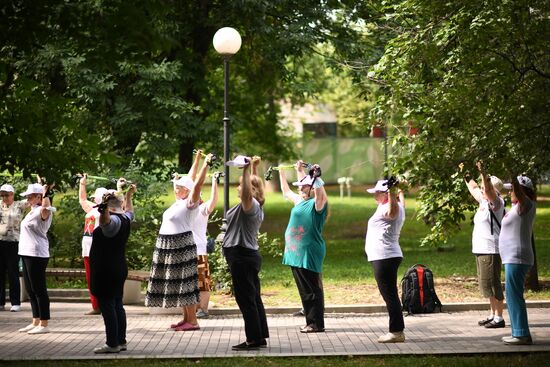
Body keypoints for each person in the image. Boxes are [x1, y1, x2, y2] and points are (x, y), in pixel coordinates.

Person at [145, 152, 212, 331]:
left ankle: (193, 321)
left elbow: (196, 183)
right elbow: (189, 178)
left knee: (186, 284)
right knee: (179, 285)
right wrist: (196, 160)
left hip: (181, 246)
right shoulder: (178, 202)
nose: (176, 187)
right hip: (169, 247)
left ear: (188, 191)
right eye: (176, 185)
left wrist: (205, 165)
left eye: (180, 186)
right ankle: (186, 319)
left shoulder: (190, 203)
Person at [222, 155, 269, 351]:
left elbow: (248, 193)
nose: (238, 188)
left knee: (246, 299)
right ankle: (259, 336)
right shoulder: (255, 205)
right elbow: (255, 188)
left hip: (242, 257)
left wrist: (245, 169)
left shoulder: (250, 206)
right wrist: (255, 169)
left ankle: (252, 340)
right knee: (254, 297)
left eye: (241, 185)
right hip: (246, 256)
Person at [280, 161, 328, 333]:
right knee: (304, 289)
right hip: (296, 253)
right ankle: (310, 321)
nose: (300, 189)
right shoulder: (300, 200)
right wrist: (293, 170)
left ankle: (316, 324)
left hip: (309, 251)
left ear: (311, 187)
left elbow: (321, 195)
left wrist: (318, 179)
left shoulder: (317, 205)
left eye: (303, 187)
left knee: (312, 288)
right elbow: (288, 190)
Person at [89, 184, 136, 353]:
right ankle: (121, 341)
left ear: (107, 206)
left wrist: (103, 211)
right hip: (118, 268)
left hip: (106, 270)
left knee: (108, 306)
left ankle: (112, 343)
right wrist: (129, 195)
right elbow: (129, 210)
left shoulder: (113, 221)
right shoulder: (126, 218)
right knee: (117, 305)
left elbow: (105, 223)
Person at [462, 162, 506, 328]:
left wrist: (483, 172)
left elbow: (487, 189)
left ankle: (499, 318)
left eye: (484, 187)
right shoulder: (484, 202)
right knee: (487, 284)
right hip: (481, 249)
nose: (481, 189)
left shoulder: (497, 203)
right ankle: (492, 314)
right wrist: (465, 172)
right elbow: (473, 187)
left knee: (494, 284)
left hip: (491, 250)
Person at [364, 178, 406, 343]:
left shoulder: (391, 209)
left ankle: (396, 332)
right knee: (391, 294)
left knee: (390, 295)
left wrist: (392, 190)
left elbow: (392, 211)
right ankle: (397, 330)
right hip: (386, 256)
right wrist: (399, 187)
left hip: (385, 256)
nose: (374, 195)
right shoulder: (391, 205)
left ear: (386, 194)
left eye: (377, 193)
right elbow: (400, 201)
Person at [499, 175, 536, 345]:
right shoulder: (516, 207)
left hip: (518, 257)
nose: (510, 192)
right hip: (513, 258)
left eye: (512, 189)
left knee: (514, 296)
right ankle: (518, 332)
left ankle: (521, 334)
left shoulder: (526, 204)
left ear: (521, 190)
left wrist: (512, 174)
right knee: (512, 295)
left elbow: (520, 195)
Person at [17, 183, 55, 334]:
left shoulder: (43, 210)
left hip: (37, 254)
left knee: (39, 289)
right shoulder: (32, 211)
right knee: (30, 289)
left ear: (39, 197)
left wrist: (45, 192)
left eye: (30, 196)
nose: (28, 198)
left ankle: (44, 324)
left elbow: (45, 208)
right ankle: (35, 321)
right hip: (26, 252)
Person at [188, 151, 219, 319]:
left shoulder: (202, 209)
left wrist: (214, 182)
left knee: (203, 282)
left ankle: (203, 309)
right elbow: (192, 179)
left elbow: (213, 201)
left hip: (199, 250)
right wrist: (198, 159)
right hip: (186, 249)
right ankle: (194, 308)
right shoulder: (185, 208)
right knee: (190, 282)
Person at [78, 174, 108, 315]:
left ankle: (103, 305)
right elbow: (82, 199)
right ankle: (96, 306)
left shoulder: (106, 210)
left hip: (98, 248)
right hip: (87, 248)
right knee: (90, 278)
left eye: (96, 197)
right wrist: (82, 184)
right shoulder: (92, 209)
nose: (93, 199)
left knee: (99, 278)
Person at [0, 184, 29, 312]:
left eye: (7, 195)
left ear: (12, 194)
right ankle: (0, 302)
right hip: (0, 242)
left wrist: (43, 188)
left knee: (13, 272)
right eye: (2, 195)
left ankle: (15, 302)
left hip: (14, 242)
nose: (4, 197)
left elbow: (33, 199)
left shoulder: (19, 205)